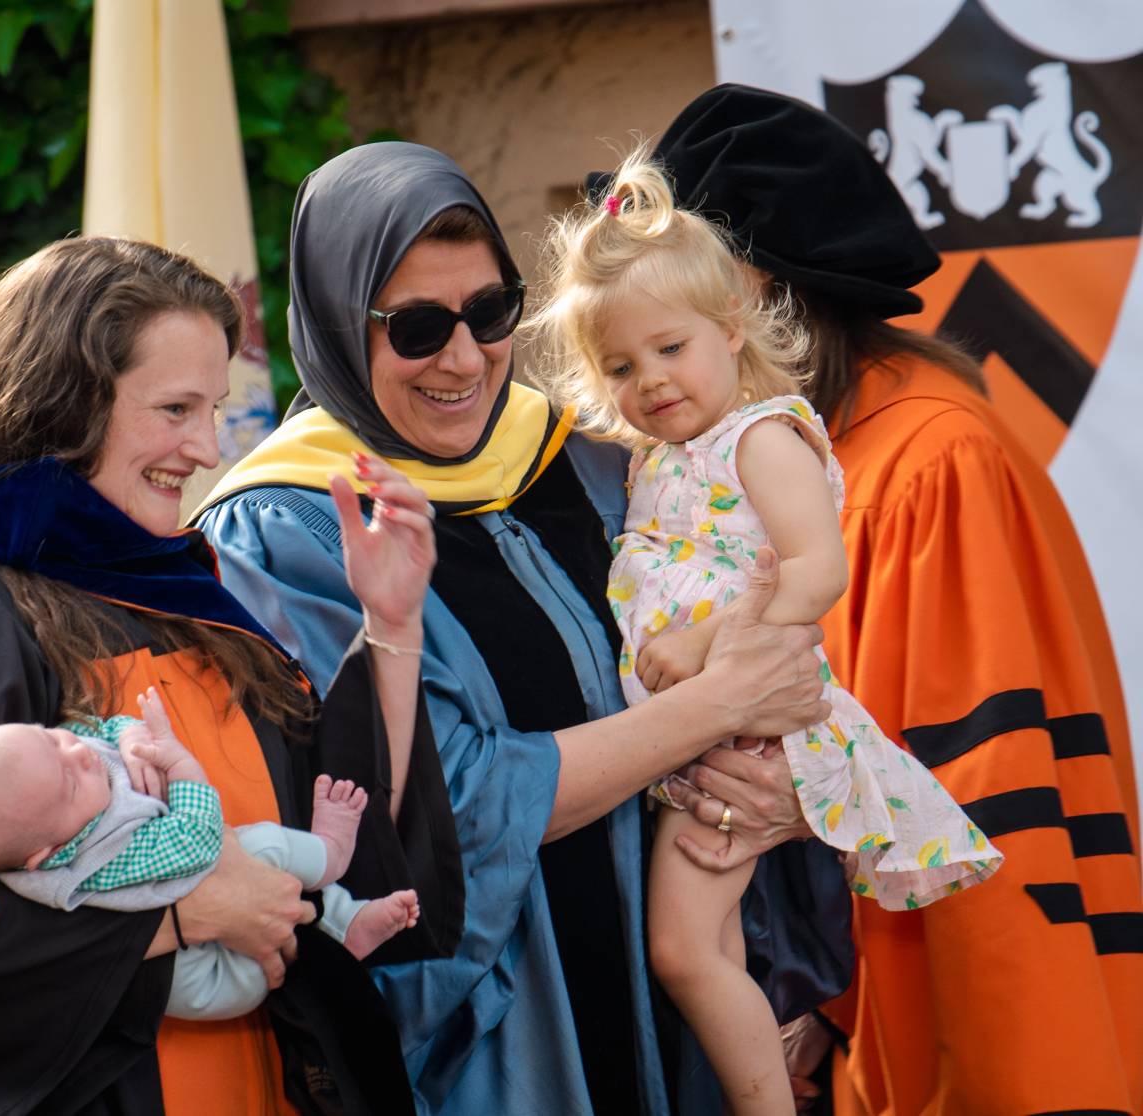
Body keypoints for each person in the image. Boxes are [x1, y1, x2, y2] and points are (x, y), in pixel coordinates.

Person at [195, 140, 839, 1115]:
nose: (463, 358)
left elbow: (767, 649)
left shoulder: (589, 466)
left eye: (490, 311)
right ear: (335, 325)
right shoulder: (286, 534)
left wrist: (784, 788)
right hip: (505, 1050)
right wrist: (719, 705)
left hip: (686, 1024)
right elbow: (449, 804)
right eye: (415, 327)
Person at [0, 237, 459, 1115]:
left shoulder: (184, 601)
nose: (204, 450)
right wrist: (185, 916)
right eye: (175, 408)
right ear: (62, 403)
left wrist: (391, 623)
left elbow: (343, 844)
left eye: (213, 410)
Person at [648, 84, 1143, 1115]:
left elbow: (993, 794)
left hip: (977, 1022)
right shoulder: (804, 458)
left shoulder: (931, 462)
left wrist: (810, 808)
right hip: (866, 1001)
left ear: (753, 297)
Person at [530, 145, 1002, 1113]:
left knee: (685, 947)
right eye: (619, 366)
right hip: (701, 728)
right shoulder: (663, 459)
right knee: (700, 946)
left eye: (671, 349)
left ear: (733, 327)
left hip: (747, 724)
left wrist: (710, 653)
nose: (651, 380)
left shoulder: (761, 437)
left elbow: (817, 569)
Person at [0, 686, 421, 1021]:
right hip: (208, 977)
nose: (81, 755)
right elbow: (197, 843)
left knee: (264, 876)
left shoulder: (52, 780)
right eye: (71, 779)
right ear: (47, 853)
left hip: (214, 917)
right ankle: (330, 858)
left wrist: (131, 734)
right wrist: (180, 767)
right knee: (262, 846)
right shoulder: (96, 856)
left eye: (54, 738)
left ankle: (346, 922)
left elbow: (98, 730)